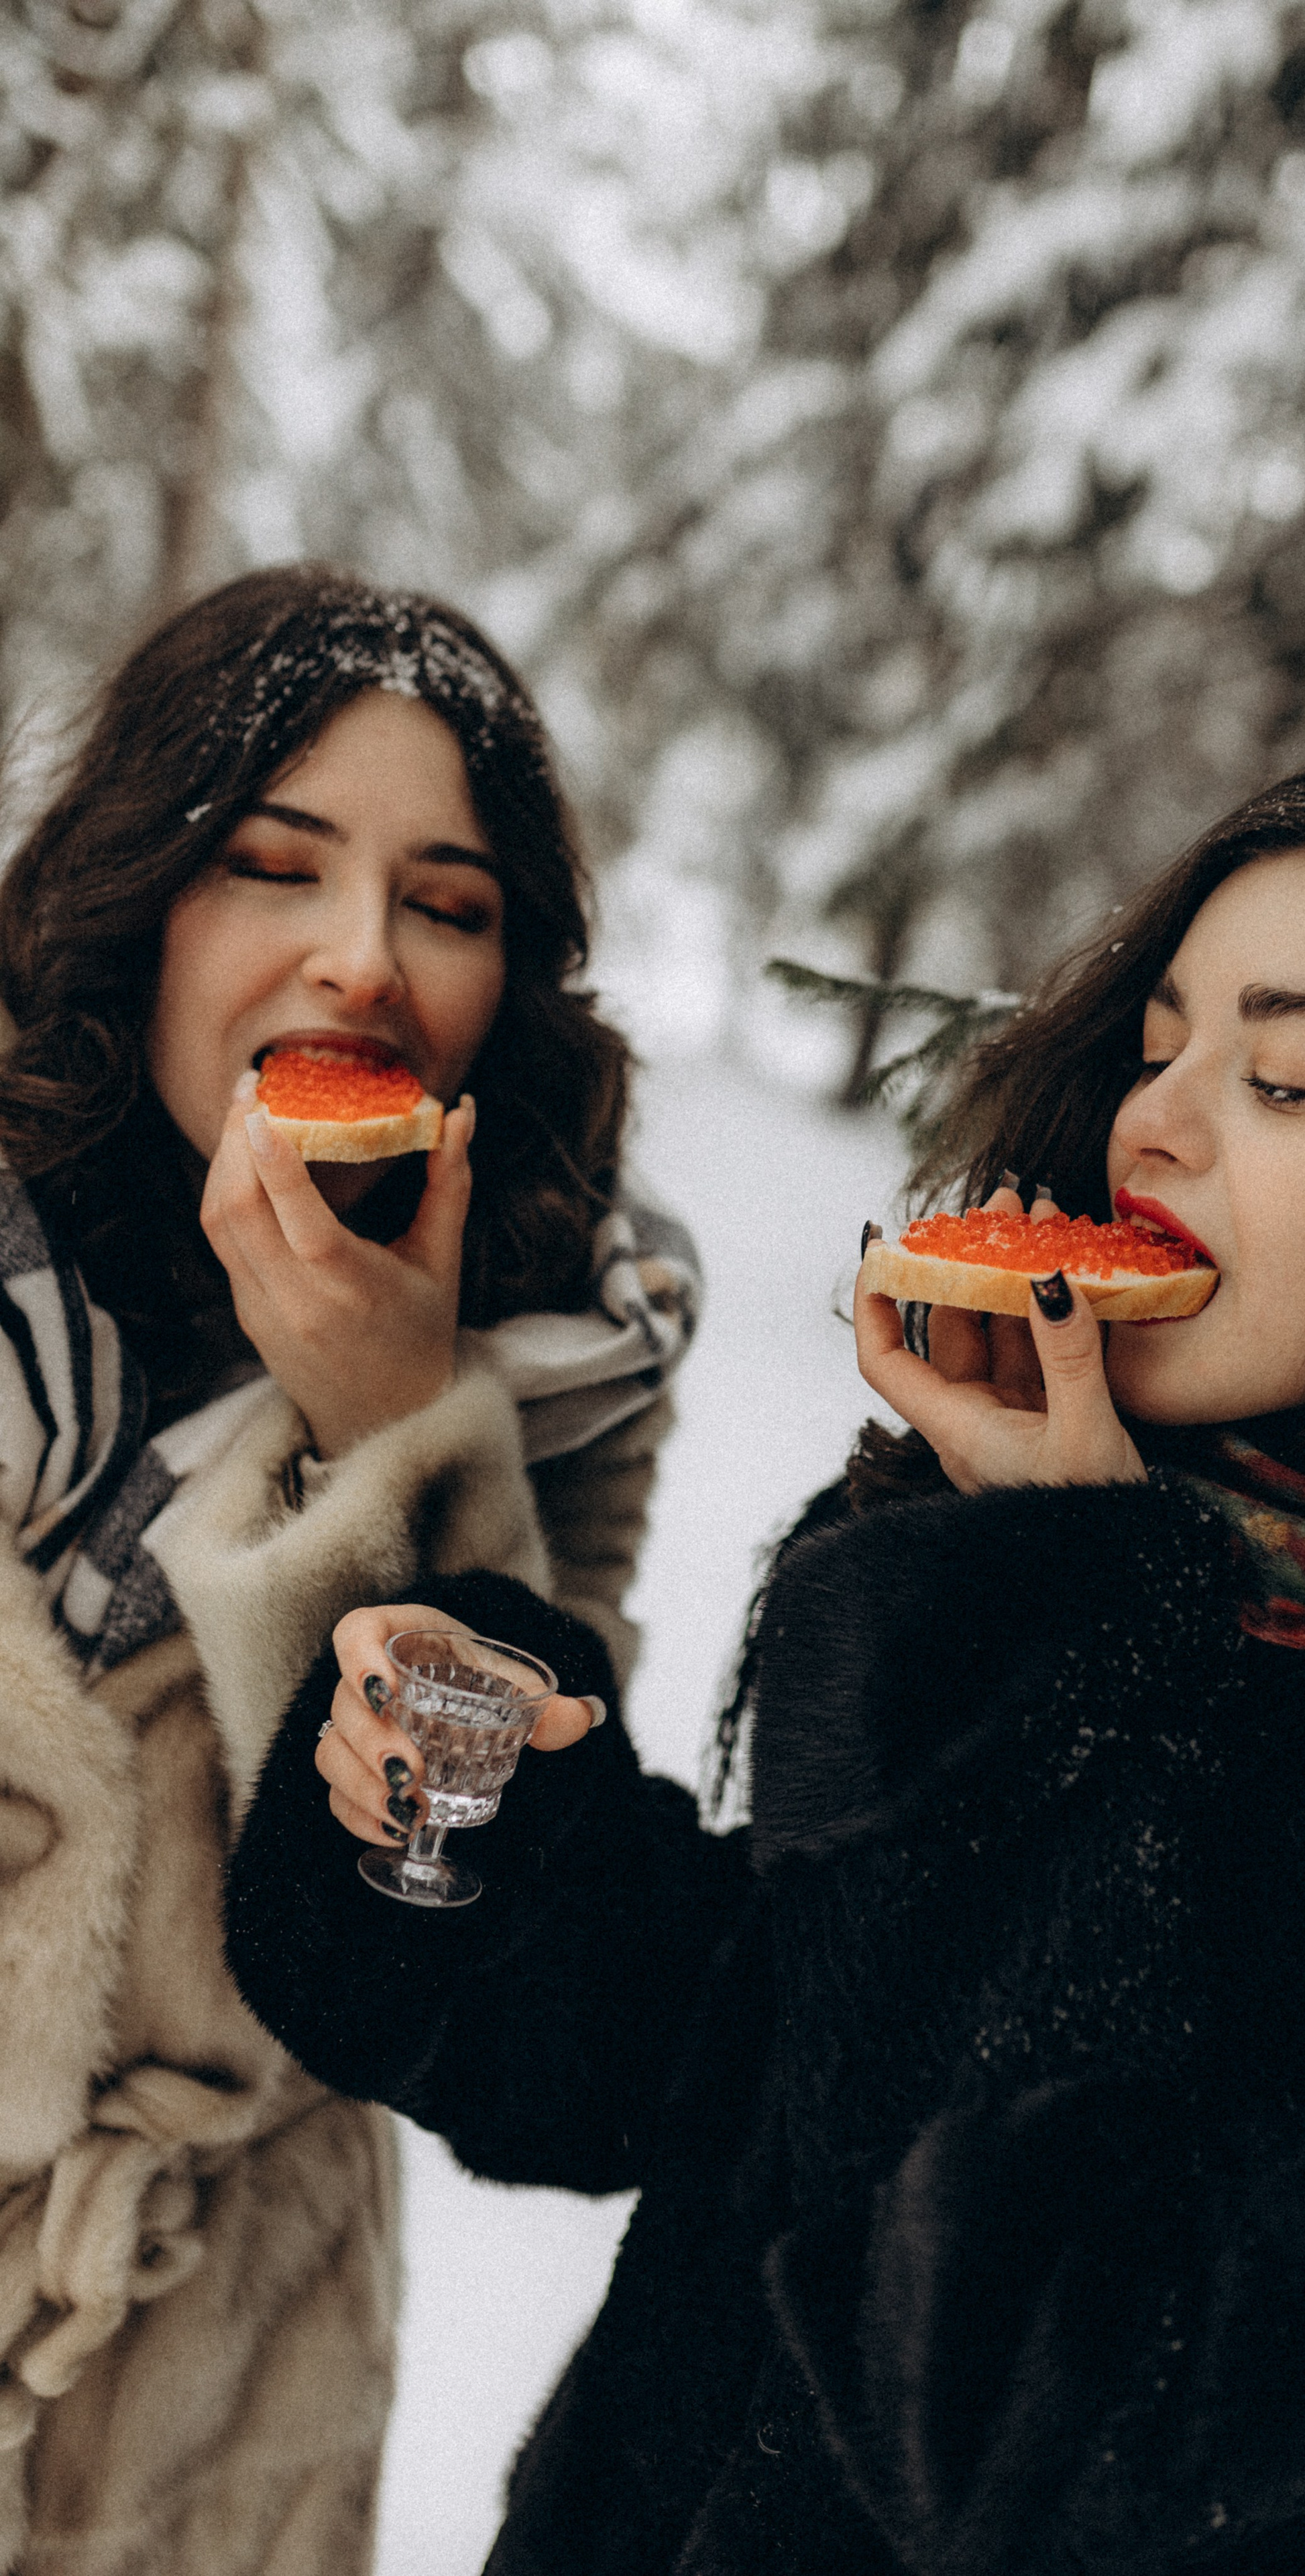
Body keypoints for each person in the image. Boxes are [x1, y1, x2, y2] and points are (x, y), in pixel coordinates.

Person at [227, 742, 1305, 2576]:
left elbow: (1040, 2379)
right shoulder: (1096, 1538)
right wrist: (457, 1791)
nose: (1155, 1123)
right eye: (1161, 1045)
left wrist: (1058, 1633)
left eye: (1287, 1078)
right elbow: (728, 2082)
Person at [0, 566, 691, 2576]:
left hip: (225, 2382)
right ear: (142, 898)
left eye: (448, 906)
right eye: (274, 868)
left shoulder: (573, 1358)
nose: (359, 964)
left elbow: (463, 1916)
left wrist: (395, 1442)